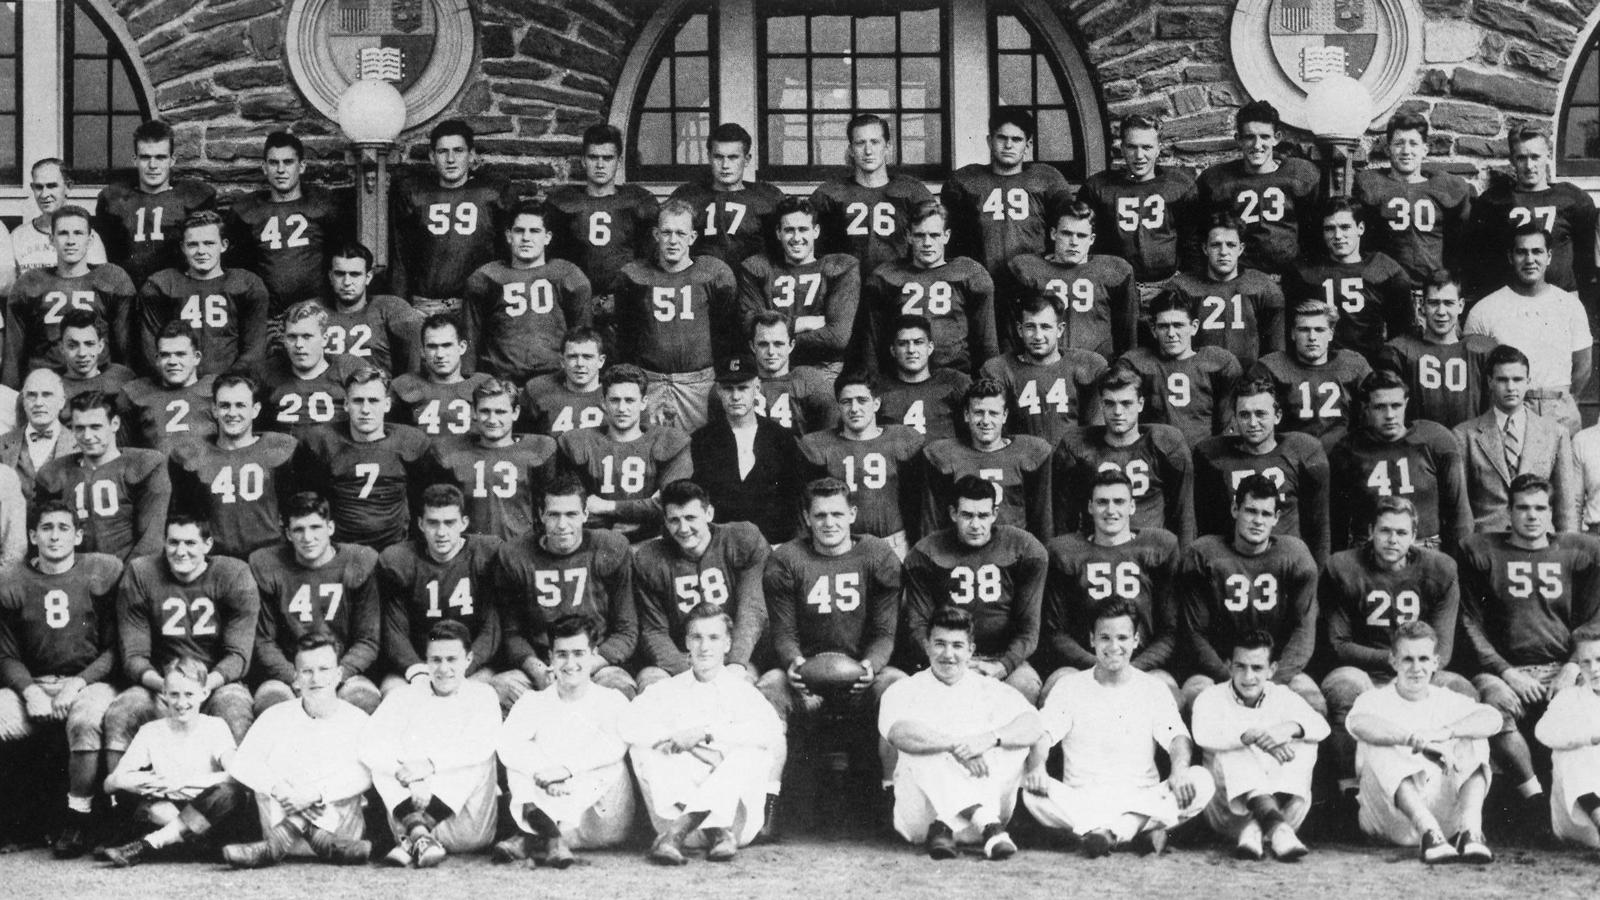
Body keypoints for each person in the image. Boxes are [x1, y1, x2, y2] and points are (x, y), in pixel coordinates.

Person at [1024, 599, 1215, 857]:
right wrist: (1037, 767)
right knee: (1030, 790)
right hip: (1084, 799)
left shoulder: (1152, 688)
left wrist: (1179, 771)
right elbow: (1043, 735)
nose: (1114, 647)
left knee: (1201, 780)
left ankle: (1108, 833)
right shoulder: (1070, 686)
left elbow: (1178, 738)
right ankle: (1131, 830)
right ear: (1091, 639)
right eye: (1105, 637)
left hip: (1141, 796)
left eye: (1123, 637)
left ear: (1136, 640)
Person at [758, 478, 905, 807]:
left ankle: (893, 797)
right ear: (807, 518)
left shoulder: (877, 555)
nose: (829, 523)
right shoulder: (787, 559)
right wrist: (793, 663)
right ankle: (766, 800)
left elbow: (884, 631)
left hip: (862, 673)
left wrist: (871, 666)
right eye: (820, 515)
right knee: (769, 687)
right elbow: (783, 630)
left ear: (852, 514)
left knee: (898, 686)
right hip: (804, 674)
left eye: (837, 514)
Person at [1457, 473, 1600, 809]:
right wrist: (1507, 672)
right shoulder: (1483, 551)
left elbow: (1594, 617)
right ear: (1508, 512)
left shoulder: (1576, 551)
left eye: (1540, 507)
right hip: (1503, 670)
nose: (1531, 515)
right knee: (1496, 707)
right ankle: (1533, 799)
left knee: (1585, 702)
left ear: (1551, 512)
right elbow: (1469, 623)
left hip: (1561, 666)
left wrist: (1571, 665)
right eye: (1522, 507)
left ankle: (1582, 799)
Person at [0, 501, 123, 857]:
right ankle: (13, 821)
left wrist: (78, 683)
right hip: (33, 679)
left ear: (78, 535)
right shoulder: (13, 582)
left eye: (63, 528)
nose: (54, 536)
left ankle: (77, 819)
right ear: (33, 535)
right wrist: (29, 691)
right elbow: (6, 653)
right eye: (47, 528)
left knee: (85, 721)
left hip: (88, 680)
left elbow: (115, 650)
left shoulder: (100, 572)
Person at [623, 601, 783, 864]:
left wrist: (706, 733)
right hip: (678, 810)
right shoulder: (668, 689)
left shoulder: (742, 692)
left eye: (713, 638)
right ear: (687, 641)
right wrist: (692, 746)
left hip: (733, 825)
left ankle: (682, 831)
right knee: (642, 747)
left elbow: (770, 731)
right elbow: (628, 724)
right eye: (697, 637)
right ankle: (708, 829)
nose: (704, 647)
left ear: (728, 645)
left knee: (753, 751)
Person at [879, 605, 1041, 860]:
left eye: (957, 646)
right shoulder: (904, 689)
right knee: (921, 746)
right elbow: (898, 733)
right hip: (921, 817)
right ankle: (983, 820)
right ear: (927, 645)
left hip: (985, 812)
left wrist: (988, 740)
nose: (948, 654)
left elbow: (1034, 725)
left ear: (971, 650)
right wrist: (955, 747)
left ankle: (946, 826)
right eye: (940, 644)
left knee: (1013, 741)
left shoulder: (990, 688)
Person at [103, 514, 259, 770]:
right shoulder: (142, 573)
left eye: (190, 543)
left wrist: (203, 686)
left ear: (207, 545)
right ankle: (120, 799)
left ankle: (236, 799)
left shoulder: (233, 574)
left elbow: (238, 655)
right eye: (173, 543)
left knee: (235, 710)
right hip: (161, 684)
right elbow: (133, 656)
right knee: (124, 711)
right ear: (164, 543)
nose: (181, 551)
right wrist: (168, 686)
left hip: (215, 682)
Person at [1347, 621, 1498, 863]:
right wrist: (1417, 741)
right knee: (1382, 741)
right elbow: (1359, 723)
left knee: (1472, 735)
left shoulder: (1449, 700)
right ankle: (1428, 830)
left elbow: (1492, 718)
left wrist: (1445, 732)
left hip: (1444, 818)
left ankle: (1471, 832)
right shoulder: (1374, 699)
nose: (1416, 668)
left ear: (1436, 662)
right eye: (1407, 659)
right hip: (1390, 818)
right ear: (1393, 661)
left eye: (1424, 659)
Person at [221, 630, 374, 868]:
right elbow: (244, 763)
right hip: (287, 813)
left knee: (341, 778)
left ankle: (273, 848)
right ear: (296, 678)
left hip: (339, 829)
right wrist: (279, 788)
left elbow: (365, 772)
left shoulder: (358, 720)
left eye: (324, 670)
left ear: (338, 675)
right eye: (307, 671)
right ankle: (321, 844)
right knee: (277, 771)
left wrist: (315, 794)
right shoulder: (275, 716)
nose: (316, 678)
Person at [495, 614, 637, 867]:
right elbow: (507, 747)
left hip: (596, 820)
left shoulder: (612, 699)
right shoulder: (533, 702)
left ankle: (529, 835)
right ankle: (551, 839)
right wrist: (543, 772)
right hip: (549, 798)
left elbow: (613, 747)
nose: (570, 663)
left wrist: (564, 771)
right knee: (518, 760)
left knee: (608, 764)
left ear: (593, 655)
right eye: (562, 654)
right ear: (550, 657)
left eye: (579, 653)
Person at [491, 474, 639, 711]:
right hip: (543, 663)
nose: (562, 525)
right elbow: (511, 632)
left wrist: (586, 666)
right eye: (553, 515)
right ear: (540, 515)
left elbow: (627, 630)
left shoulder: (608, 548)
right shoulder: (516, 555)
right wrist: (539, 671)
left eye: (571, 514)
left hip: (595, 661)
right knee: (500, 689)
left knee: (618, 686)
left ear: (585, 515)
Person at [361, 619, 502, 868]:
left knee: (479, 756)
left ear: (468, 660)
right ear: (425, 660)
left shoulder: (483, 695)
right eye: (436, 660)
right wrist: (409, 776)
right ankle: (419, 835)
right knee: (380, 756)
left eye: (452, 659)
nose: (443, 668)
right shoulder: (403, 696)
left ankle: (418, 833)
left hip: (465, 826)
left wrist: (428, 766)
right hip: (409, 810)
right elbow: (369, 744)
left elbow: (481, 744)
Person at [1180, 474, 1323, 714]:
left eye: (1266, 514)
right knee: (1194, 695)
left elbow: (1304, 633)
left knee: (1313, 701)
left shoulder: (1295, 556)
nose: (1258, 521)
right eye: (1251, 511)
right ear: (1235, 509)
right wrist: (1232, 679)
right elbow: (1195, 633)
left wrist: (1269, 683)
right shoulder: (1204, 554)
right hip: (1219, 670)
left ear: (1276, 518)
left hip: (1273, 670)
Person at [903, 475, 1048, 703]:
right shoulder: (926, 553)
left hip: (1001, 657)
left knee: (1025, 685)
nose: (975, 525)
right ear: (953, 514)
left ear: (995, 514)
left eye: (983, 515)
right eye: (967, 515)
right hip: (947, 656)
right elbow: (918, 625)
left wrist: (1003, 665)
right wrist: (951, 661)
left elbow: (1029, 629)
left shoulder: (1024, 548)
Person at [1039, 470, 1180, 703]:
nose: (1111, 510)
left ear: (1132, 507)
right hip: (1083, 667)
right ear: (1090, 507)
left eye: (1119, 502)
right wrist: (1098, 665)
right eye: (1102, 502)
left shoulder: (1158, 548)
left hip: (1143, 663)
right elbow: (1056, 631)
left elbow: (1170, 630)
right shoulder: (1065, 553)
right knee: (1056, 686)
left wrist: (1132, 668)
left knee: (1169, 691)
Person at [1191, 631, 1328, 860]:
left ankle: (1260, 828)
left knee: (1305, 743)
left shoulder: (1282, 695)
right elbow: (1202, 734)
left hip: (1284, 807)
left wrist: (1288, 729)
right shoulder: (1211, 697)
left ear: (1271, 670)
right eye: (1240, 666)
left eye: (1257, 668)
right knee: (1236, 749)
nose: (1248, 676)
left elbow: (1322, 727)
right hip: (1229, 813)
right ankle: (1276, 828)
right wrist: (1251, 736)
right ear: (1229, 666)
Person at [99, 656, 246, 867]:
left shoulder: (215, 726)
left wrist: (183, 781)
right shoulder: (151, 731)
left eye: (189, 694)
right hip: (168, 807)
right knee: (137, 803)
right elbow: (110, 783)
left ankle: (150, 844)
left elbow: (238, 775)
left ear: (204, 693)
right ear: (163, 694)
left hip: (204, 806)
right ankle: (191, 842)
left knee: (231, 795)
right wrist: (129, 781)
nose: (181, 703)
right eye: (174, 695)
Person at [941, 107, 1075, 338]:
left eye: (1017, 139)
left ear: (1029, 145)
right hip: (982, 283)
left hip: (1035, 285)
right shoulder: (965, 181)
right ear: (989, 140)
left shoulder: (1047, 180)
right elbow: (952, 241)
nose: (1009, 145)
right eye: (1002, 138)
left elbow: (1065, 231)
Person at [247, 492, 382, 716]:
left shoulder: (357, 562)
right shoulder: (268, 565)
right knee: (273, 699)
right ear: (288, 534)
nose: (308, 537)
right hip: (290, 672)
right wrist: (296, 678)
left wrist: (337, 675)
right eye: (299, 530)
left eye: (315, 527)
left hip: (341, 671)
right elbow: (263, 640)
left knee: (362, 697)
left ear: (330, 528)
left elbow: (367, 640)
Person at [613, 199, 740, 431]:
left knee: (699, 451)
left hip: (698, 384)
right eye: (666, 232)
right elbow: (626, 333)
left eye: (680, 233)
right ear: (655, 234)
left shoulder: (712, 274)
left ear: (692, 237)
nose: (673, 241)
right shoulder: (635, 276)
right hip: (650, 380)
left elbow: (725, 330)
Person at [633, 479, 770, 691]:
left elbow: (752, 609)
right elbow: (653, 630)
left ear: (709, 513)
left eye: (690, 518)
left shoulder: (740, 540)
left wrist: (735, 664)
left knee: (743, 689)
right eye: (674, 520)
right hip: (680, 659)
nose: (683, 528)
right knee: (653, 686)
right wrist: (688, 676)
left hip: (733, 655)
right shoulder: (650, 559)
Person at [292, 366, 440, 551]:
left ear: (387, 404)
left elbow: (424, 500)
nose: (366, 409)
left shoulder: (412, 442)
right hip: (341, 552)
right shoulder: (321, 442)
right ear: (346, 404)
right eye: (358, 401)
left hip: (395, 549)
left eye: (373, 401)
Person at [1464, 224, 1591, 435]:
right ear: (1510, 257)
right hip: (1507, 410)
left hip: (1558, 409)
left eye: (1537, 251)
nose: (1530, 260)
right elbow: (1474, 372)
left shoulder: (1569, 304)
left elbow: (1583, 364)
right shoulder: (1485, 310)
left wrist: (1562, 400)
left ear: (1549, 256)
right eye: (1522, 252)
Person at [1327, 368, 1471, 555]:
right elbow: (1337, 520)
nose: (1389, 415)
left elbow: (1459, 514)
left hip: (1425, 549)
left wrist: (1457, 564)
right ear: (1366, 408)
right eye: (1380, 406)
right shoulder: (1348, 449)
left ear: (1406, 404)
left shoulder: (1436, 440)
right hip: (1367, 552)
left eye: (1396, 405)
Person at [376, 484, 503, 694]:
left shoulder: (485, 555)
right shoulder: (400, 560)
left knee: (483, 691)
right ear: (420, 524)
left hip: (470, 665)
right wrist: (418, 671)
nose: (441, 532)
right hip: (418, 665)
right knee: (393, 693)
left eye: (449, 523)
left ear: (464, 523)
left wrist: (462, 668)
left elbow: (491, 629)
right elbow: (394, 630)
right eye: (433, 523)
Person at [1193, 376, 1331, 565]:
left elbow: (1318, 527)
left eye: (1261, 414)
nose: (1252, 423)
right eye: (1244, 415)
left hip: (1286, 562)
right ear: (1235, 418)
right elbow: (1209, 529)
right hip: (1236, 565)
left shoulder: (1300, 452)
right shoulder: (1215, 459)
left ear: (1278, 416)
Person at [390, 119, 519, 318]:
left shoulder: (492, 194)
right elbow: (400, 259)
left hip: (478, 307)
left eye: (458, 151)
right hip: (426, 307)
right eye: (442, 152)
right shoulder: (415, 196)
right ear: (432, 156)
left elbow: (510, 255)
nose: (451, 159)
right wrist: (401, 310)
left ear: (472, 155)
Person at [1053, 365, 1195, 545]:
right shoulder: (1079, 447)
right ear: (1101, 404)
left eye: (1126, 403)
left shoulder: (1162, 444)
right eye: (1110, 403)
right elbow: (1065, 520)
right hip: (1098, 550)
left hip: (1149, 551)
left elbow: (1183, 514)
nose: (1118, 412)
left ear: (1140, 404)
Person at [167, 372, 298, 561]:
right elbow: (183, 519)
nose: (232, 413)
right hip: (215, 561)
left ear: (255, 409)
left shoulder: (281, 450)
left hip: (270, 558)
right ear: (213, 409)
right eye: (224, 405)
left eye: (240, 405)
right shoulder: (191, 456)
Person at [462, 198, 593, 385]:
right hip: (502, 383)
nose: (526, 238)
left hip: (555, 381)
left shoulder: (567, 275)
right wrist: (469, 380)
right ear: (508, 236)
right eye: (519, 231)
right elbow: (470, 338)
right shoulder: (487, 277)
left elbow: (584, 339)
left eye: (535, 231)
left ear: (547, 237)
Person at [555, 363, 691, 541]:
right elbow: (571, 506)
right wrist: (640, 513)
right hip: (596, 541)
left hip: (652, 541)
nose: (621, 408)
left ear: (643, 403)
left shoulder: (672, 442)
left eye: (629, 400)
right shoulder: (576, 442)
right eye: (614, 400)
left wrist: (607, 506)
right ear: (603, 402)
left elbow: (673, 504)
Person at [798, 371, 927, 558]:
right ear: (838, 407)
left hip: (893, 543)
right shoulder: (820, 446)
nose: (854, 408)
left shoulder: (902, 439)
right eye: (846, 401)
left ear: (876, 403)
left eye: (862, 400)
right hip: (843, 544)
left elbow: (917, 501)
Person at [861, 201, 998, 376]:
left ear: (946, 236)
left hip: (954, 375)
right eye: (919, 235)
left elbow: (986, 341)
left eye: (934, 235)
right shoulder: (887, 277)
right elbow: (872, 343)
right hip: (902, 379)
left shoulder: (969, 274)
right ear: (909, 236)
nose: (927, 243)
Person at [6, 204, 134, 387]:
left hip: (97, 386)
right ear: (51, 239)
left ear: (90, 239)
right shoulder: (30, 283)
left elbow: (125, 351)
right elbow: (13, 355)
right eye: (63, 233)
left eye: (78, 233)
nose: (70, 241)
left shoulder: (112, 279)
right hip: (46, 385)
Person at [1454, 344, 1578, 533]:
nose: (1510, 387)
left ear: (1528, 381)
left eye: (1517, 379)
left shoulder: (1555, 433)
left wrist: (1567, 555)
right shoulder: (1465, 436)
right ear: (1490, 382)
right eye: (1502, 380)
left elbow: (1566, 508)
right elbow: (1460, 508)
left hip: (1539, 544)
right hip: (1488, 545)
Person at [1075, 114, 1201, 300]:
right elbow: (1084, 242)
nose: (1139, 156)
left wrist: (1175, 285)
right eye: (1131, 147)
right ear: (1122, 148)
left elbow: (1192, 245)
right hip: (1112, 289)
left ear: (1159, 149)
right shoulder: (1098, 187)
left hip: (1166, 288)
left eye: (1147, 147)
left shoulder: (1179, 186)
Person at [35, 390, 170, 562]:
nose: (87, 436)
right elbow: (44, 537)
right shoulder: (53, 473)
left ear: (114, 424)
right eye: (80, 428)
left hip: (129, 575)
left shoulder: (146, 465)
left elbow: (151, 539)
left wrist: (129, 581)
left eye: (95, 427)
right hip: (73, 576)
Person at [1464, 125, 1596, 299]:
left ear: (1548, 156)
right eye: (1521, 158)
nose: (1529, 166)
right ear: (1511, 160)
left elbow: (1585, 259)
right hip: (1512, 300)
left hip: (1561, 298)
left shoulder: (1572, 199)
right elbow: (1483, 261)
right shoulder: (1494, 202)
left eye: (1535, 157)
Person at [224, 131, 346, 318]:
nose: (281, 170)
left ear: (302, 166)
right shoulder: (247, 212)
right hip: (266, 314)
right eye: (274, 163)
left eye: (288, 162)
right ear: (264, 168)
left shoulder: (322, 205)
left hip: (318, 312)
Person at [137, 210, 270, 376]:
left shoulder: (245, 284)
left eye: (209, 243)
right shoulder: (162, 285)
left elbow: (254, 350)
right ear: (183, 247)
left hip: (229, 389)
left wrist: (226, 384)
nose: (201, 251)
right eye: (193, 244)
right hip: (177, 387)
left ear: (224, 245)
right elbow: (151, 350)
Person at [1282, 197, 1414, 364]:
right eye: (1329, 229)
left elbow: (1402, 334)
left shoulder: (1385, 270)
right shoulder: (1304, 271)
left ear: (1360, 228)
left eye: (1345, 227)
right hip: (1318, 367)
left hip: (1369, 366)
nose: (1338, 236)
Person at [690, 352, 804, 545]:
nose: (735, 396)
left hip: (773, 543)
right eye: (728, 388)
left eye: (743, 388)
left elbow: (794, 499)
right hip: (719, 547)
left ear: (757, 387)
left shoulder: (781, 438)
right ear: (718, 390)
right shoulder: (702, 440)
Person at [1197, 101, 1319, 278]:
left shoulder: (1300, 174)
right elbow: (1203, 234)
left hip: (1290, 274)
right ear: (1238, 138)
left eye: (1264, 137)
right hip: (1240, 278)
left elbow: (1312, 232)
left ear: (1276, 137)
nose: (1257, 144)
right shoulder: (1217, 180)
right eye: (1249, 137)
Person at [1351, 111, 1475, 288]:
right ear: (1387, 149)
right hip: (1387, 289)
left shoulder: (1446, 188)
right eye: (1399, 143)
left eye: (1413, 144)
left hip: (1433, 290)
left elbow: (1459, 245)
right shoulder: (1371, 186)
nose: (1406, 151)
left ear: (1425, 149)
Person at [737, 197, 860, 374]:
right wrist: (801, 323)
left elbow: (837, 338)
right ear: (778, 233)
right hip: (772, 367)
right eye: (789, 230)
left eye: (803, 229)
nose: (796, 238)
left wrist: (773, 337)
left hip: (823, 367)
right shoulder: (758, 268)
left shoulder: (839, 267)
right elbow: (749, 326)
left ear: (815, 231)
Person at [920, 379, 1054, 539]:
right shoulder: (945, 455)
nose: (985, 421)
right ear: (966, 415)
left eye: (993, 413)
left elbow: (1042, 519)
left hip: (1011, 550)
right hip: (962, 553)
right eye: (978, 412)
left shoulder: (1028, 453)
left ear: (1004, 416)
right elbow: (932, 522)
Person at [93, 120, 218, 289]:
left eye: (160, 157)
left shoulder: (194, 198)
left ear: (172, 160)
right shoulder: (114, 200)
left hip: (177, 294)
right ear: (135, 160)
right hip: (128, 293)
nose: (153, 165)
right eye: (145, 157)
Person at [1008, 202, 1138, 362]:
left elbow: (1127, 335)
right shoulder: (1028, 270)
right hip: (1043, 366)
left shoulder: (1113, 271)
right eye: (1066, 233)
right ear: (1053, 234)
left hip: (1096, 368)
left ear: (1092, 239)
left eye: (1081, 235)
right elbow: (1012, 330)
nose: (1074, 242)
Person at [811, 113, 935, 279]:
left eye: (875, 142)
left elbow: (933, 244)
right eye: (860, 143)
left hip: (899, 286)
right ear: (851, 150)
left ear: (888, 146)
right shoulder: (829, 195)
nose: (868, 151)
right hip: (847, 287)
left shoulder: (912, 192)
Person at [544, 123, 659, 300]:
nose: (600, 165)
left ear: (619, 162)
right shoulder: (563, 204)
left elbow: (650, 260)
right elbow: (552, 261)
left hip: (627, 300)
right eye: (593, 157)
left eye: (607, 158)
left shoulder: (638, 203)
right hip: (577, 299)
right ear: (583, 161)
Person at [433, 377, 556, 541]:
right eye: (485, 411)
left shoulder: (536, 451)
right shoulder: (451, 453)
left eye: (500, 412)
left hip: (519, 550)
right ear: (474, 412)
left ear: (515, 412)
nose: (492, 420)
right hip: (470, 550)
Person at [977, 292, 1107, 446]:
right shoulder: (1001, 370)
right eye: (1030, 327)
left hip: (1069, 460)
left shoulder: (1084, 367)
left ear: (1059, 330)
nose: (1038, 336)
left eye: (1045, 327)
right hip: (1022, 460)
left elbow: (1094, 429)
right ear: (1019, 330)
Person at [1117, 291, 1243, 446]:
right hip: (1153, 458)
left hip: (1203, 457)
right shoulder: (1135, 364)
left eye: (1178, 325)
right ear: (1152, 328)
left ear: (1194, 327)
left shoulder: (1218, 363)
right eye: (1163, 326)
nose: (1171, 334)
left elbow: (1227, 426)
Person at [1376, 271, 1496, 430]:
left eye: (1448, 303)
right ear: (1422, 306)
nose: (1441, 311)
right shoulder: (1401, 351)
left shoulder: (1479, 351)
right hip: (1419, 448)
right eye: (1433, 303)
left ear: (1460, 306)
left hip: (1468, 447)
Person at [1167, 213, 1284, 371]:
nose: (1223, 252)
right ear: (1205, 248)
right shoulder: (1183, 287)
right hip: (1199, 380)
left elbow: (1275, 351)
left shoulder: (1262, 287)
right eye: (1216, 245)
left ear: (1241, 249)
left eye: (1231, 245)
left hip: (1248, 381)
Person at [1248, 300, 1373, 446]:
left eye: (1319, 330)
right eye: (1304, 329)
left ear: (1331, 334)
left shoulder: (1353, 364)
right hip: (1291, 458)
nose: (1312, 337)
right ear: (1293, 334)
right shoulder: (1271, 367)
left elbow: (1373, 414)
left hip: (1342, 457)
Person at [667, 123, 785, 269]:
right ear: (709, 158)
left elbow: (782, 251)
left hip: (751, 282)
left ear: (747, 159)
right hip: (700, 282)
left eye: (733, 157)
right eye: (718, 157)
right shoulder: (688, 196)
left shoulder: (767, 197)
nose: (725, 165)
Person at [1534, 624, 1600, 849]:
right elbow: (1543, 732)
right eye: (1586, 662)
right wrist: (1589, 738)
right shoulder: (1570, 698)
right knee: (1571, 754)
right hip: (1579, 816)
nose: (1594, 669)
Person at [323, 241, 423, 375]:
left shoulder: (388, 309)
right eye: (340, 274)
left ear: (368, 277)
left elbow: (411, 371)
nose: (347, 282)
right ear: (330, 277)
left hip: (377, 392)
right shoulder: (315, 311)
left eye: (355, 274)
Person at [259, 300, 355, 439]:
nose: (299, 344)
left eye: (307, 337)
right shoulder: (267, 372)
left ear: (324, 338)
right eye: (292, 337)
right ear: (283, 339)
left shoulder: (347, 369)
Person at [732, 312, 837, 436]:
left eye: (778, 344)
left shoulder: (809, 381)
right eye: (763, 344)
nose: (771, 351)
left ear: (791, 346)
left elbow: (827, 440)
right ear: (752, 346)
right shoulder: (738, 385)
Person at [116, 321, 215, 452]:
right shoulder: (135, 393)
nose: (173, 362)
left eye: (180, 354)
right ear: (157, 359)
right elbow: (122, 451)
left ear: (196, 357)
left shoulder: (216, 389)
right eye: (165, 355)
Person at [391, 314, 491, 439]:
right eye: (432, 346)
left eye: (447, 345)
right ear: (422, 351)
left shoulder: (483, 385)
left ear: (462, 347)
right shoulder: (404, 386)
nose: (440, 354)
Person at [876, 313, 971, 442]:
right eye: (903, 343)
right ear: (893, 350)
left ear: (930, 347)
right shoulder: (880, 388)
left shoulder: (953, 383)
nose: (911, 350)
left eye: (918, 342)